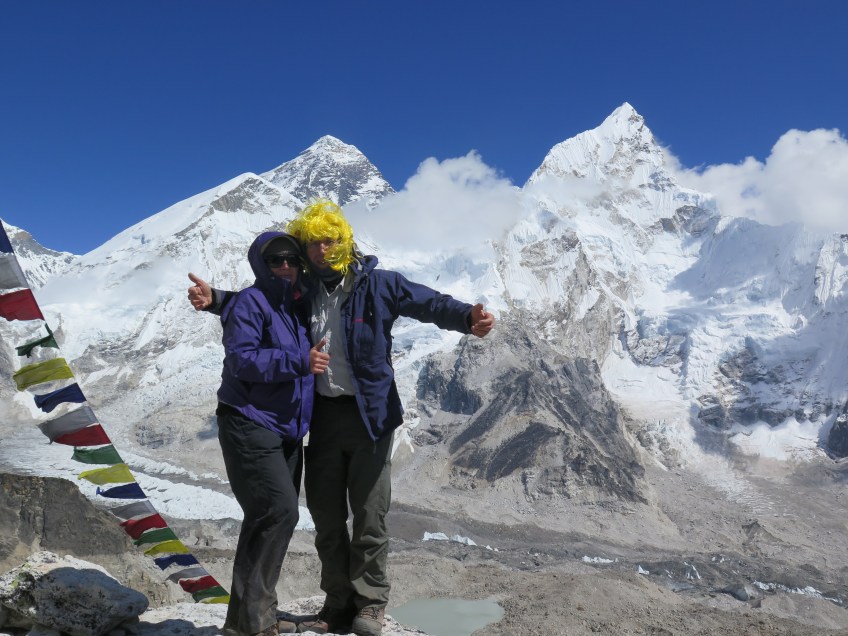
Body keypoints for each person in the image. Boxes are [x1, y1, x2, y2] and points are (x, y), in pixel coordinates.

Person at [189, 200, 495, 636]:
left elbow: (426, 301)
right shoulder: (304, 286)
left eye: (328, 240)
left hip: (370, 415)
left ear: (344, 240)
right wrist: (217, 300)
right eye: (311, 243)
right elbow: (260, 302)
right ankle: (336, 606)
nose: (319, 249)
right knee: (326, 516)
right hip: (324, 416)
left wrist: (467, 317)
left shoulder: (380, 285)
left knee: (370, 514)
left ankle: (369, 605)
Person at [215, 231, 318, 636]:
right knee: (279, 511)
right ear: (261, 263)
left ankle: (241, 623)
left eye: (293, 259)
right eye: (276, 260)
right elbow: (241, 360)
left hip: (285, 429)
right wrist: (299, 361)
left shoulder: (295, 304)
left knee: (265, 518)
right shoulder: (251, 302)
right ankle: (257, 623)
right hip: (250, 421)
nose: (287, 266)